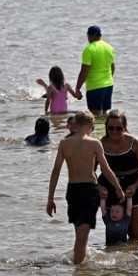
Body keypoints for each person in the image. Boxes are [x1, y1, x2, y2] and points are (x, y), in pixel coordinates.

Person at [46, 111, 124, 264]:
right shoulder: (94, 143)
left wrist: (50, 198)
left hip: (73, 190)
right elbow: (106, 169)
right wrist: (118, 187)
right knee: (82, 237)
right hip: (89, 191)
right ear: (89, 125)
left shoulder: (64, 143)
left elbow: (56, 171)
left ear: (76, 124)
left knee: (80, 234)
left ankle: (79, 274)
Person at [98, 110, 138, 243]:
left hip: (133, 187)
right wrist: (99, 187)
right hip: (109, 188)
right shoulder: (100, 144)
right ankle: (114, 263)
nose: (114, 131)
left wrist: (135, 185)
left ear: (125, 128)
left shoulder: (135, 144)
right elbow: (90, 171)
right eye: (110, 128)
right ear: (106, 128)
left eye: (118, 128)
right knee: (114, 233)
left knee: (135, 233)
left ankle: (135, 260)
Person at [75, 25, 116, 117]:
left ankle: (98, 132)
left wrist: (78, 88)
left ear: (91, 35)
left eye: (88, 36)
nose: (88, 38)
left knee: (95, 116)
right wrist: (108, 79)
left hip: (95, 87)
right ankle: (104, 131)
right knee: (105, 115)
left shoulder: (89, 49)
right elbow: (112, 67)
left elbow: (84, 71)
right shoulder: (109, 47)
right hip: (108, 85)